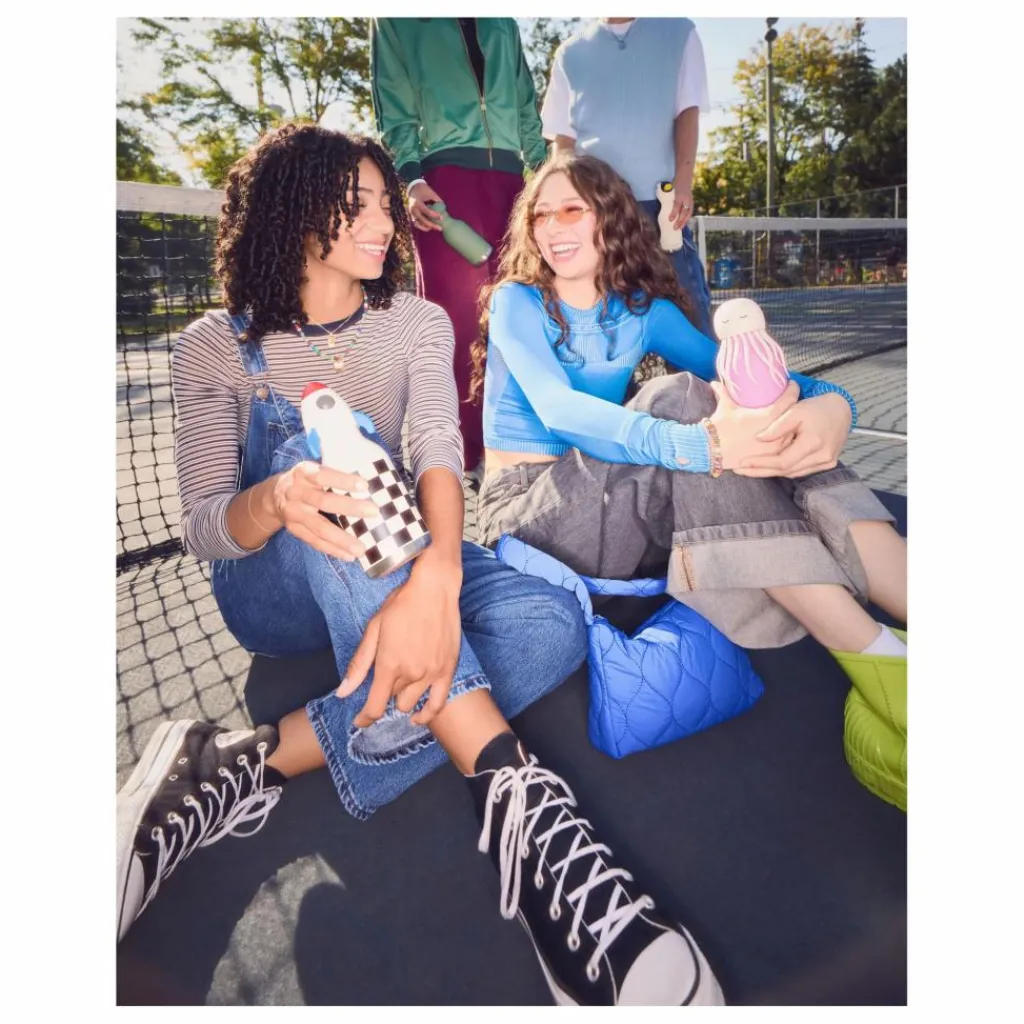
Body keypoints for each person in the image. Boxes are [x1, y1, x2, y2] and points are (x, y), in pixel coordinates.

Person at [116, 124, 726, 1007]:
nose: (385, 221)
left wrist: (439, 579)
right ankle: (528, 811)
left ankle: (240, 763)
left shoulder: (414, 320)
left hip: (405, 548)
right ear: (292, 214)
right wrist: (282, 497)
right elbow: (208, 526)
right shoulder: (212, 346)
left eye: (383, 203)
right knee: (330, 444)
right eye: (356, 204)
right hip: (272, 585)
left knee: (552, 625)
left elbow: (439, 449)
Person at [471, 152, 907, 692]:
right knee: (680, 398)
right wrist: (707, 447)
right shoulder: (520, 300)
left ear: (610, 218)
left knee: (741, 411)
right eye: (541, 215)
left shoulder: (643, 311)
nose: (552, 227)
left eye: (572, 210)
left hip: (618, 517)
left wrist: (833, 404)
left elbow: (741, 376)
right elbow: (559, 410)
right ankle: (881, 659)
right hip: (528, 522)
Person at [370, 17, 548, 484]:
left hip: (514, 185)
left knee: (525, 313)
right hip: (443, 185)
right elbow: (394, 104)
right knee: (460, 323)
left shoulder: (503, 24)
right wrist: (410, 177)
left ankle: (526, 437)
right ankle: (470, 453)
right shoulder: (396, 20)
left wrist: (547, 175)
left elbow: (527, 107)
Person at [541, 17, 715, 339]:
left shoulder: (679, 32)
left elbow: (687, 113)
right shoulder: (570, 52)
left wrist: (683, 183)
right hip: (595, 213)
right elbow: (562, 142)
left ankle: (706, 389)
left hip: (659, 206)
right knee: (602, 323)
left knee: (689, 312)